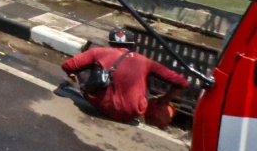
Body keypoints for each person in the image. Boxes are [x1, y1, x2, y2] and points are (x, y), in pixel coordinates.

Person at [62, 29, 190, 126]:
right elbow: (182, 83)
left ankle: (94, 94)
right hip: (131, 113)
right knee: (145, 78)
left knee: (85, 68)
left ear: (110, 43)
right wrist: (164, 99)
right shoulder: (145, 61)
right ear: (133, 45)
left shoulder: (98, 52)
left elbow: (67, 66)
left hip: (101, 105)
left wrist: (75, 81)